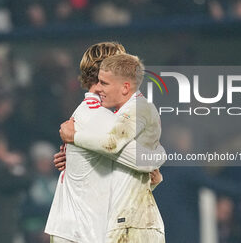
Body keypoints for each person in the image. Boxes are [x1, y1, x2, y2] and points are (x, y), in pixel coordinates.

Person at [45, 42, 165, 243]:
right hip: (80, 232)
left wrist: (150, 182)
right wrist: (161, 153)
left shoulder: (92, 112)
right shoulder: (97, 116)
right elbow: (144, 161)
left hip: (77, 228)